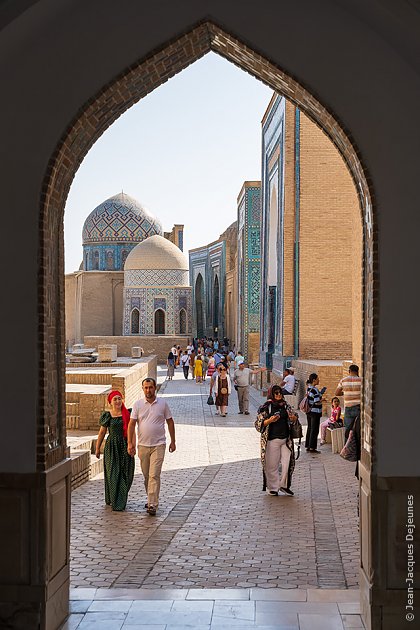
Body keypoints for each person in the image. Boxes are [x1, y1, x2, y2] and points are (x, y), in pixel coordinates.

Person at [128, 378, 176, 516]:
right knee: (147, 476)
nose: (148, 390)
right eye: (146, 388)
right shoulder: (138, 405)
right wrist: (130, 443)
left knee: (154, 475)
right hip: (143, 445)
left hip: (159, 444)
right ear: (142, 389)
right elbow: (131, 424)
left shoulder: (162, 404)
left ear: (155, 388)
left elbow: (170, 422)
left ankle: (152, 504)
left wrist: (173, 441)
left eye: (150, 387)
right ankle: (152, 497)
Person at [255, 385, 298, 496]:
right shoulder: (266, 407)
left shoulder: (286, 406)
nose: (279, 395)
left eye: (280, 393)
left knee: (287, 463)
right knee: (272, 465)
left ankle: (284, 485)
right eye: (276, 393)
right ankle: (273, 487)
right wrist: (270, 420)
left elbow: (294, 416)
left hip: (285, 440)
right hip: (272, 440)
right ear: (272, 394)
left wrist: (294, 418)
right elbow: (258, 424)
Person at [95, 390, 135, 511]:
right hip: (112, 447)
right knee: (113, 473)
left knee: (126, 473)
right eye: (115, 399)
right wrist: (97, 448)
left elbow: (132, 430)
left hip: (125, 446)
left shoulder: (128, 413)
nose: (118, 401)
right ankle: (117, 501)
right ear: (110, 402)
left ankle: (119, 496)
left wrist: (132, 445)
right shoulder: (107, 416)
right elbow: (102, 432)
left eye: (119, 398)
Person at [335, 364, 362, 439]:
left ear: (349, 371)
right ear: (357, 371)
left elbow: (336, 393)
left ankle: (347, 448)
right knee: (358, 430)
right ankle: (358, 449)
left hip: (348, 408)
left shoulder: (343, 380)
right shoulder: (362, 380)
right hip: (358, 408)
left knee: (348, 430)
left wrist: (344, 393)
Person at [305, 373, 326, 453]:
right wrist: (322, 400)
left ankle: (308, 445)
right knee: (314, 429)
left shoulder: (309, 388)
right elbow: (317, 402)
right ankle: (312, 448)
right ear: (314, 380)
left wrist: (320, 394)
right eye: (317, 379)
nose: (319, 380)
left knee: (310, 428)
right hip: (315, 412)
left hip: (309, 411)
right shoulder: (315, 389)